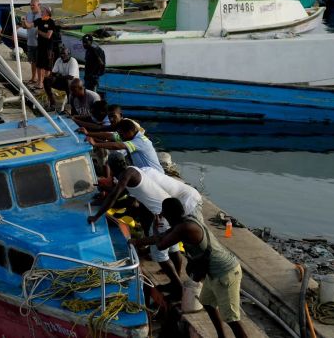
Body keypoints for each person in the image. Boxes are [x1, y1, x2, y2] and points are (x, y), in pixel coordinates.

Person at [131, 198, 247, 338]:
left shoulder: (185, 228)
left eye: (165, 213)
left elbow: (161, 245)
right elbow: (163, 236)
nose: (163, 216)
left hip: (225, 272)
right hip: (213, 273)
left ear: (170, 214)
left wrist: (155, 228)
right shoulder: (183, 222)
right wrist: (136, 241)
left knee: (231, 319)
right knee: (207, 303)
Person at [89, 162, 183, 298]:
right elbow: (122, 194)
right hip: (170, 213)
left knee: (160, 255)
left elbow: (114, 195)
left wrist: (96, 216)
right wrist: (104, 195)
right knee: (174, 249)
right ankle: (177, 282)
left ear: (115, 169)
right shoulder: (134, 171)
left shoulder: (126, 175)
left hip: (161, 215)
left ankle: (178, 288)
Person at [85, 118, 163, 173]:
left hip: (155, 175)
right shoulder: (129, 136)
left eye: (121, 135)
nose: (120, 137)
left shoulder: (140, 141)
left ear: (129, 132)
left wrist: (95, 144)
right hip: (144, 173)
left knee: (116, 156)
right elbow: (109, 135)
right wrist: (88, 133)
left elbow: (117, 146)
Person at [43, 46, 79, 111]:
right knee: (46, 80)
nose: (62, 55)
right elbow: (53, 73)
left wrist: (58, 76)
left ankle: (70, 104)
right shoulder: (59, 60)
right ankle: (52, 102)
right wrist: (56, 76)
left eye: (64, 54)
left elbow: (71, 77)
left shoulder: (73, 61)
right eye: (61, 54)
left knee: (67, 81)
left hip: (73, 83)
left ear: (69, 54)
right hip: (62, 81)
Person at [22, 0, 43, 84]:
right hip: (30, 42)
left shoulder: (42, 15)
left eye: (33, 5)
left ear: (39, 5)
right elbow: (25, 27)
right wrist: (23, 22)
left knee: (40, 63)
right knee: (32, 62)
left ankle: (40, 80)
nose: (31, 7)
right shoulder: (28, 14)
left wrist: (25, 23)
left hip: (39, 43)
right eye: (30, 5)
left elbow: (30, 26)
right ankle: (33, 77)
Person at [34, 6, 55, 87]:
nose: (41, 12)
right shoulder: (39, 20)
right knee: (39, 65)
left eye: (43, 11)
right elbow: (30, 25)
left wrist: (39, 32)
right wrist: (23, 22)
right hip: (40, 46)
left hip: (48, 48)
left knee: (47, 67)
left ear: (47, 12)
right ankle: (40, 82)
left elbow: (48, 36)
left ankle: (46, 83)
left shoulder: (51, 22)